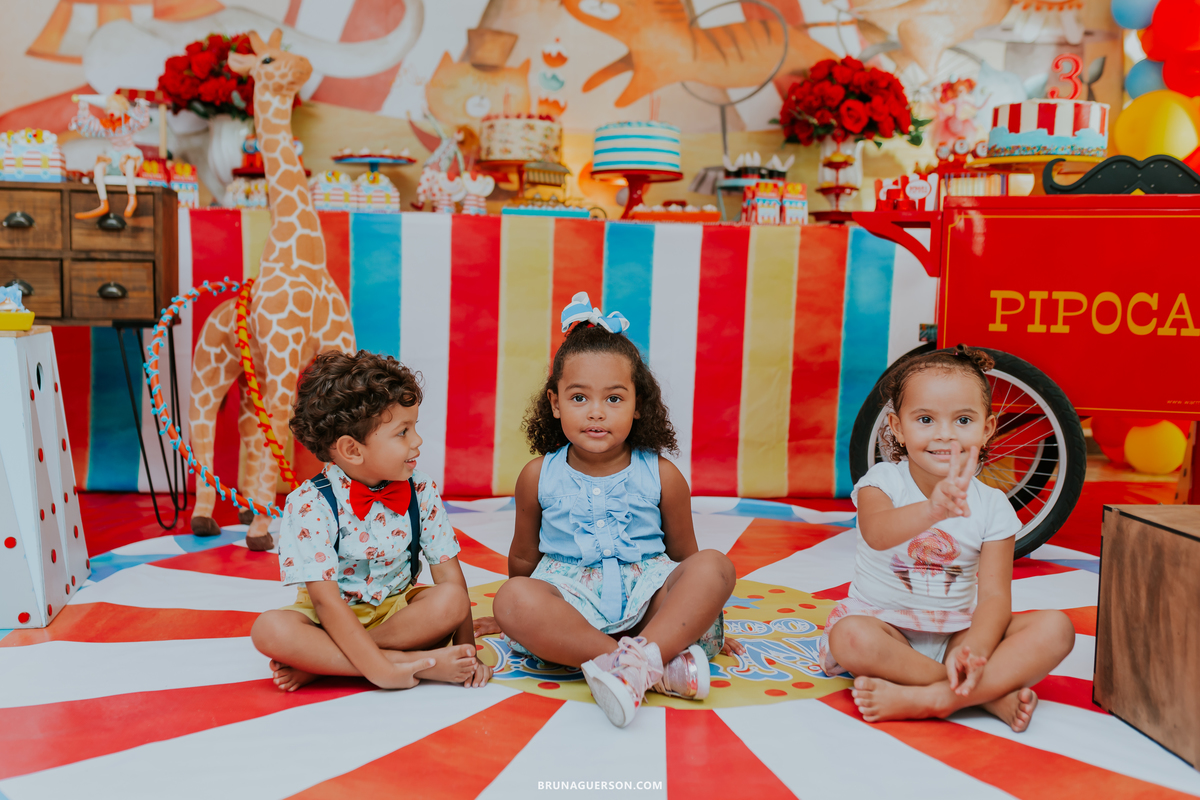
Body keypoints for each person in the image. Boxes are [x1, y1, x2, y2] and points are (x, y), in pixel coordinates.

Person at [488, 292, 739, 728]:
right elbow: (523, 559)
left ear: (638, 404)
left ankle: (635, 659)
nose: (596, 413)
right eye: (579, 398)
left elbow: (686, 558)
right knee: (512, 599)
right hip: (572, 611)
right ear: (555, 403)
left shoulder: (663, 476)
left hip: (650, 606)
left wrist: (693, 614)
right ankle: (646, 664)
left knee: (715, 566)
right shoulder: (537, 476)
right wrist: (516, 617)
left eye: (614, 399)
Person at [821, 345, 1075, 731]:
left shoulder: (993, 505)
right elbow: (876, 533)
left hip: (958, 632)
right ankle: (984, 695)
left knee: (1057, 628)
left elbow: (994, 597)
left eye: (963, 420)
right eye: (925, 419)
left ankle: (934, 699)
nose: (944, 434)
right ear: (897, 427)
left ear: (987, 429)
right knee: (850, 636)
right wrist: (933, 510)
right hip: (885, 629)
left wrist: (975, 651)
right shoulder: (882, 481)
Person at [250, 351, 491, 692]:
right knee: (270, 629)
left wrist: (468, 655)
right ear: (352, 450)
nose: (417, 441)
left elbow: (449, 575)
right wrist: (383, 673)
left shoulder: (420, 489)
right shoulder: (308, 503)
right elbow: (325, 602)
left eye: (414, 427)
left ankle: (326, 664)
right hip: (328, 619)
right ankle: (407, 662)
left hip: (399, 615)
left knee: (451, 599)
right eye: (402, 432)